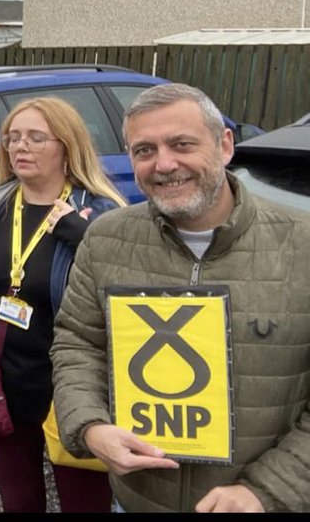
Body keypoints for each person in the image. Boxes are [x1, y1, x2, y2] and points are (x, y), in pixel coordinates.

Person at [51, 83, 310, 513]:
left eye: (182, 144)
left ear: (225, 145)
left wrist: (264, 491)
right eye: (144, 150)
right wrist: (91, 425)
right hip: (137, 501)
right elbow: (78, 342)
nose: (164, 164)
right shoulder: (106, 238)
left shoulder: (302, 245)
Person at [0, 96, 124, 513]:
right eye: (13, 138)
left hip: (72, 393)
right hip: (1, 386)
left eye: (37, 138)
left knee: (85, 505)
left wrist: (86, 239)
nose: (21, 147)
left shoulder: (102, 213)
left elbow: (128, 297)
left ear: (66, 146)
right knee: (18, 504)